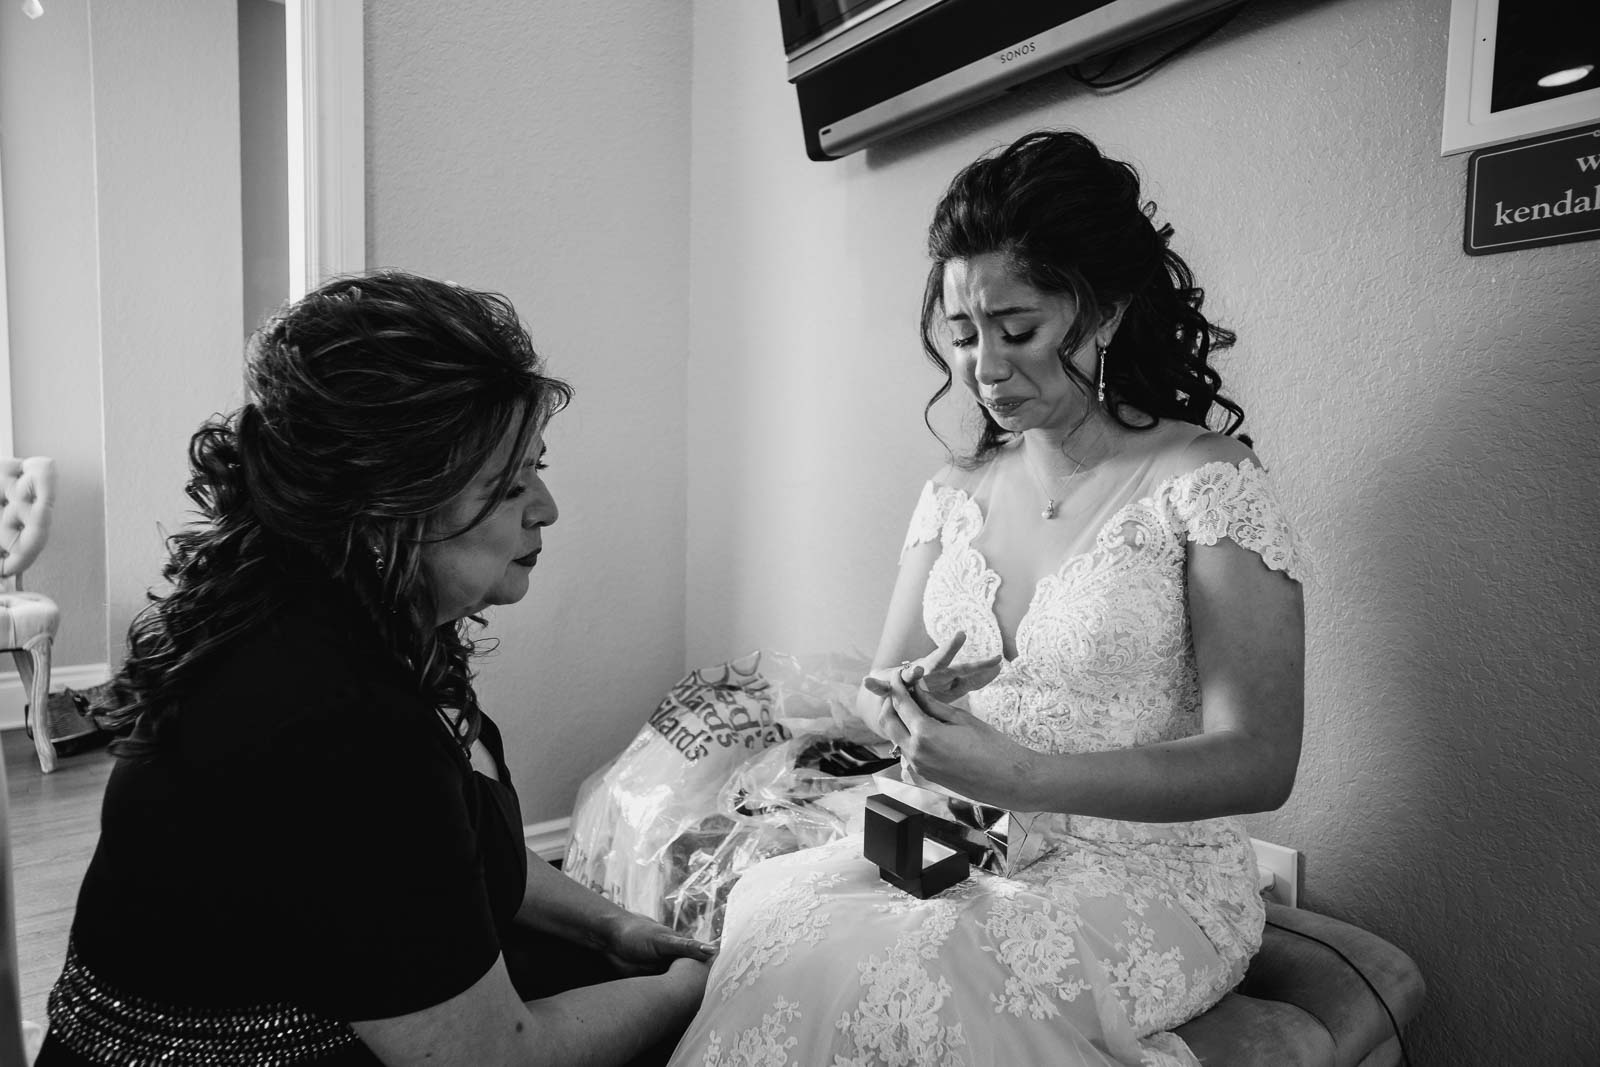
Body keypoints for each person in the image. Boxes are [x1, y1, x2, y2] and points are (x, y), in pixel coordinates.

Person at [665, 130, 1308, 1066]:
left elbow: (1260, 760)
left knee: (915, 974)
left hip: (1147, 871)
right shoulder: (954, 493)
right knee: (774, 918)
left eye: (1018, 330)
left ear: (1106, 311)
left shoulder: (1205, 482)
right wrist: (916, 699)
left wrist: (1024, 777)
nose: (984, 370)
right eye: (963, 337)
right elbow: (881, 692)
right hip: (970, 837)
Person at [35, 272, 713, 1067]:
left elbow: (443, 851)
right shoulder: (336, 718)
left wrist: (610, 924)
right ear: (390, 507)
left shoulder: (345, 613)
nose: (546, 507)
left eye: (538, 465)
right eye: (508, 485)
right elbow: (491, 1057)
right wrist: (690, 988)